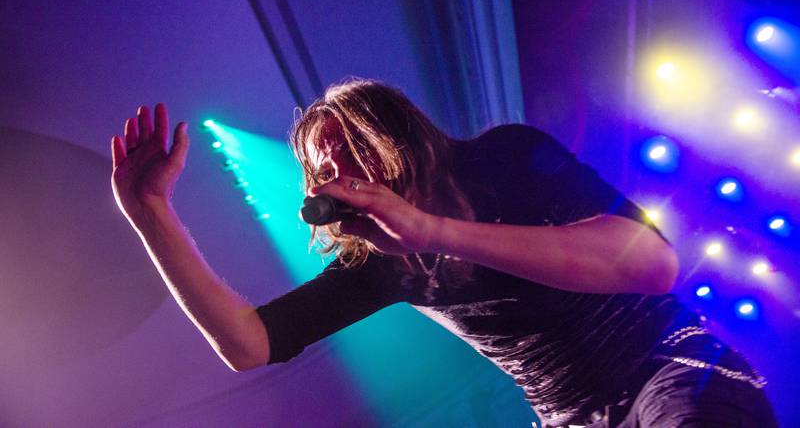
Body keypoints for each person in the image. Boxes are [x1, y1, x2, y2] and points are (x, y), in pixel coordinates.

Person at [112, 79, 777, 427]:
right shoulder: (376, 262)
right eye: (321, 165)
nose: (336, 169)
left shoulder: (505, 157)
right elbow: (249, 343)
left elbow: (651, 265)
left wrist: (430, 230)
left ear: (393, 127)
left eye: (347, 146)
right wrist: (150, 215)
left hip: (670, 370)